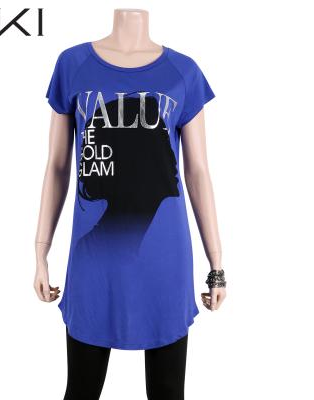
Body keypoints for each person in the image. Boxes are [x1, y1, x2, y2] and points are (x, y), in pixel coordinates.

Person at [34, 8, 226, 400]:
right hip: (94, 260)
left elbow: (197, 172)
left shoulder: (183, 71)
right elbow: (57, 166)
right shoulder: (73, 64)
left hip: (165, 258)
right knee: (82, 388)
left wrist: (216, 264)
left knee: (168, 391)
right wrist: (41, 251)